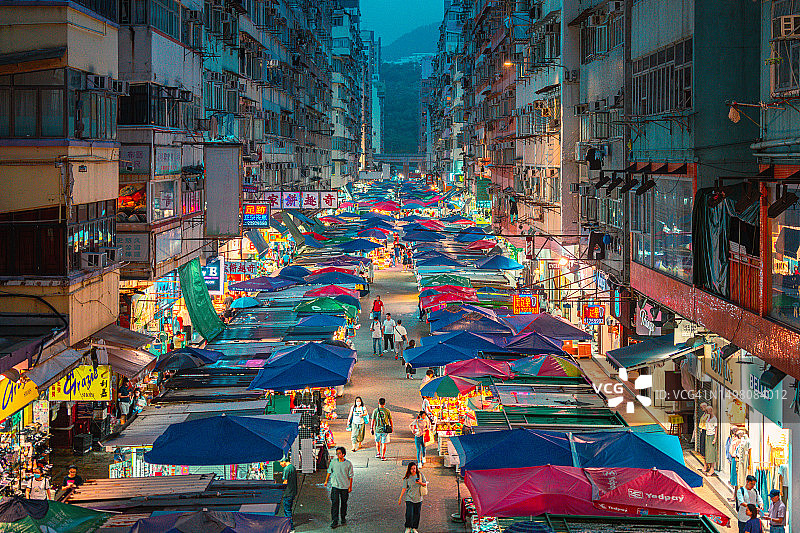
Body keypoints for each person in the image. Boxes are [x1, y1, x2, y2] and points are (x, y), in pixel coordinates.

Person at [323, 446, 353, 529]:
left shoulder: (348, 464)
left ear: (343, 454)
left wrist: (350, 487)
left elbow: (351, 476)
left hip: (344, 487)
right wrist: (326, 481)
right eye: (337, 453)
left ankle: (343, 517)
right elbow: (329, 471)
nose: (337, 454)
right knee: (335, 503)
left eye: (339, 453)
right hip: (335, 486)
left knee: (344, 503)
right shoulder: (333, 462)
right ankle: (335, 520)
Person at [398, 461, 427, 533]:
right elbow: (404, 488)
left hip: (418, 498)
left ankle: (414, 528)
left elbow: (425, 484)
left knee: (417, 514)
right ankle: (408, 527)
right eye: (412, 469)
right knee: (409, 513)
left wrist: (420, 482)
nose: (413, 470)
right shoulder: (407, 478)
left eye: (414, 468)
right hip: (409, 498)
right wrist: (400, 497)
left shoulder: (420, 475)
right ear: (409, 469)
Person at [280, 455, 298, 532]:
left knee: (287, 511)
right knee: (289, 509)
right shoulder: (293, 467)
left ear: (284, 461)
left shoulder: (286, 469)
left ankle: (290, 528)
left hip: (288, 493)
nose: (280, 464)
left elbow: (285, 481)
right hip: (293, 492)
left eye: (280, 462)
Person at [703, 403, 717, 475]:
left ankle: (712, 468)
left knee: (711, 452)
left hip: (711, 435)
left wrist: (715, 438)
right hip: (707, 435)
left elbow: (716, 428)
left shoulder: (714, 419)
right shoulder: (708, 418)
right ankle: (707, 465)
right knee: (707, 452)